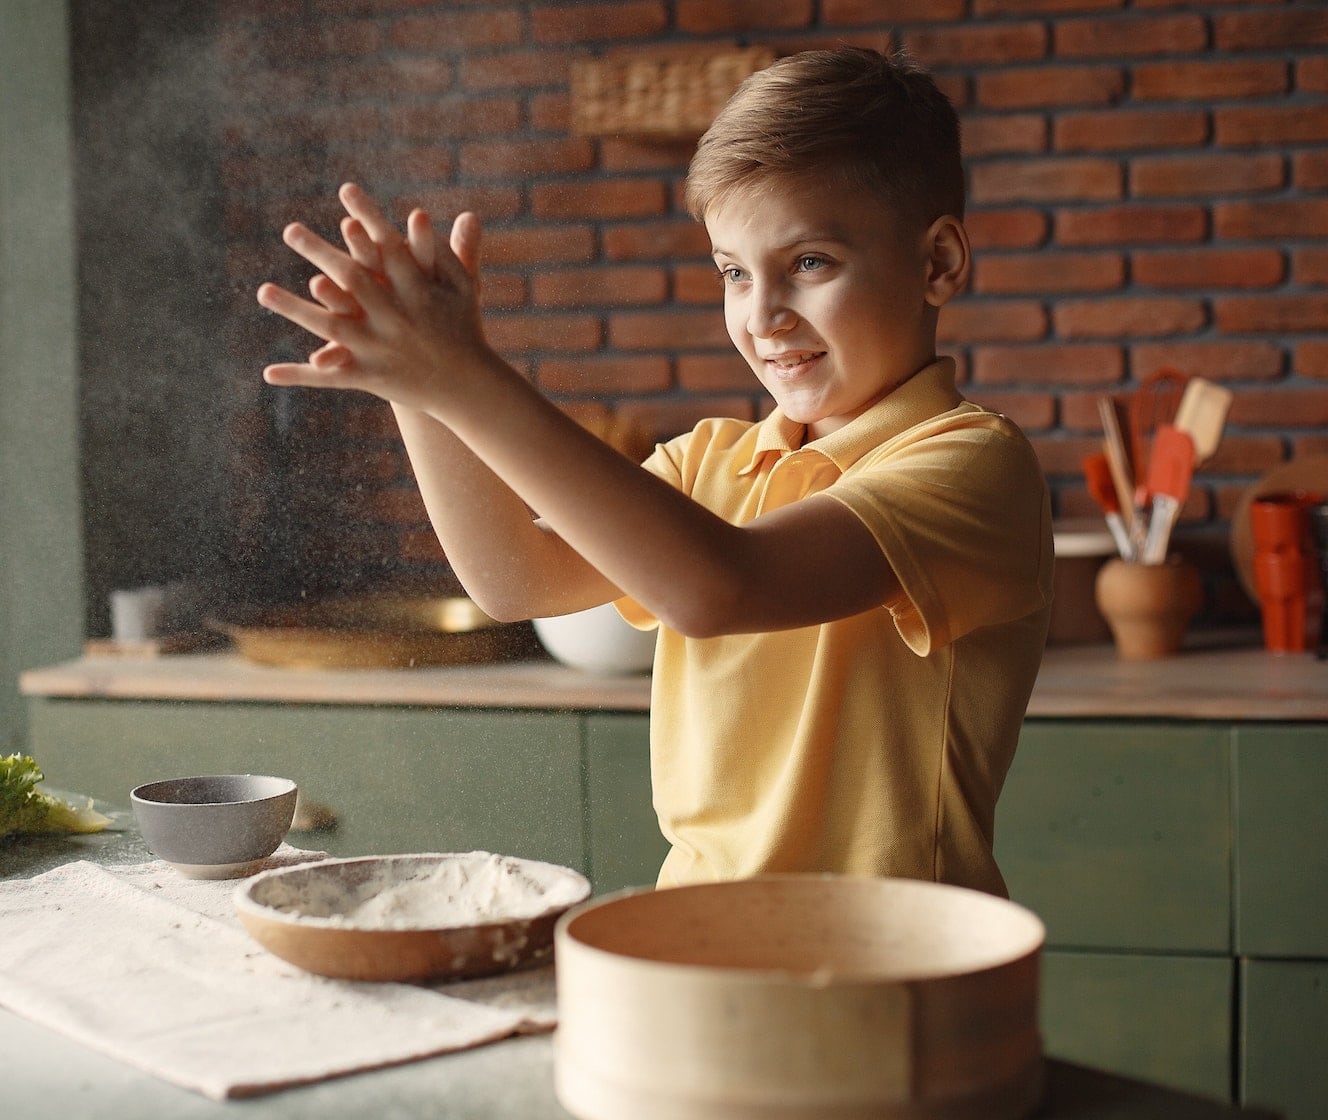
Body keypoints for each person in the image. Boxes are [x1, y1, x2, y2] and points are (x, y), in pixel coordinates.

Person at [257, 46, 1053, 896]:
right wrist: (413, 383)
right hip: (700, 940)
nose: (762, 315)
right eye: (733, 273)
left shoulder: (973, 463)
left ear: (938, 263)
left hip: (896, 967)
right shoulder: (708, 460)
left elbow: (719, 590)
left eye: (810, 263)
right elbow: (511, 580)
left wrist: (466, 375)